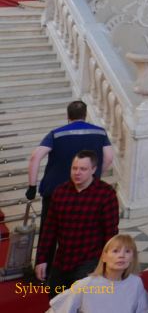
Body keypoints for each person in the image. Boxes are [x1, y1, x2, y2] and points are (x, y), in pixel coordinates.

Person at [26, 101, 114, 243]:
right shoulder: (100, 133)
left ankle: (45, 264)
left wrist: (32, 186)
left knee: (48, 235)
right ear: (85, 115)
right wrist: (94, 176)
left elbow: (35, 157)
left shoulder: (56, 134)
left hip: (55, 191)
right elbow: (109, 158)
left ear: (68, 115)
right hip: (87, 192)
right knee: (81, 234)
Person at [35, 150, 119, 292]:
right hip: (62, 259)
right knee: (56, 301)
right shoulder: (60, 192)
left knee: (82, 303)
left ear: (93, 169)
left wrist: (107, 265)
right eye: (74, 168)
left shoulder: (106, 193)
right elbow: (49, 229)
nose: (77, 172)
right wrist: (41, 259)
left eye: (83, 169)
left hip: (90, 260)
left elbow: (110, 234)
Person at [48, 233, 148, 312]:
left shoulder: (135, 283)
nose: (121, 255)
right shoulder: (86, 284)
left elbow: (143, 309)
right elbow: (58, 310)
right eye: (115, 251)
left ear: (132, 258)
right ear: (104, 257)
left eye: (127, 251)